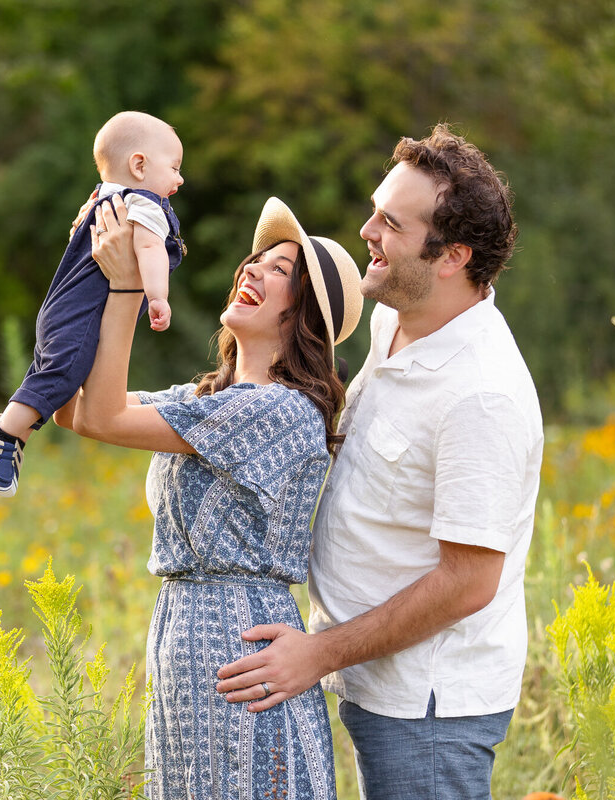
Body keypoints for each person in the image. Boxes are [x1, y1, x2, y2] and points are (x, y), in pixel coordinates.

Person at [214, 124, 544, 800]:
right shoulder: (395, 319)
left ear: (451, 256)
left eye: (390, 223)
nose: (366, 230)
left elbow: (468, 582)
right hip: (373, 678)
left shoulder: (482, 394)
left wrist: (320, 652)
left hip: (427, 707)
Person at [56, 194, 363, 800]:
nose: (252, 270)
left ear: (302, 317)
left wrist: (126, 288)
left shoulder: (278, 409)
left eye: (280, 271)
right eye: (257, 261)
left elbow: (104, 418)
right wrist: (88, 266)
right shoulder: (206, 397)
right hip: (182, 634)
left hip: (239, 643)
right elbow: (74, 408)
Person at [0, 110, 187, 498]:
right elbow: (149, 247)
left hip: (64, 306)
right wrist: (158, 296)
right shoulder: (144, 206)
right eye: (174, 167)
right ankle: (3, 431)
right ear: (139, 165)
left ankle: (18, 435)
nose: (180, 178)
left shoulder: (101, 200)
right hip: (82, 313)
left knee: (61, 372)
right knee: (63, 370)